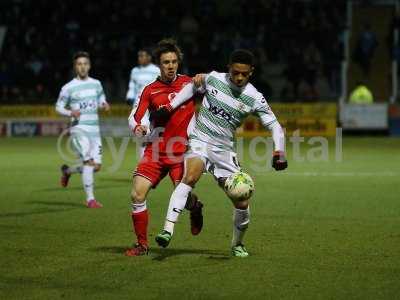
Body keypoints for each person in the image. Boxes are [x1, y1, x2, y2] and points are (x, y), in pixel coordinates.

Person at [154, 49, 288, 257]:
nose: (239, 77)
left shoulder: (254, 97)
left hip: (224, 151)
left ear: (251, 71)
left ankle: (237, 244)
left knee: (242, 201)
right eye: (236, 72)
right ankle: (167, 230)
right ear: (229, 68)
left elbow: (275, 126)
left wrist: (279, 151)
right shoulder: (214, 79)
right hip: (200, 140)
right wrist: (170, 106)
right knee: (189, 177)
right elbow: (192, 86)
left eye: (244, 73)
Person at [125, 39, 203, 256]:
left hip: (183, 152)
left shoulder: (190, 84)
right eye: (166, 62)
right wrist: (138, 127)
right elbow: (135, 115)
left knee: (184, 199)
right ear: (158, 65)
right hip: (156, 151)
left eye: (174, 62)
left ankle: (195, 208)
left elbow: (217, 87)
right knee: (137, 195)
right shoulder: (149, 90)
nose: (171, 66)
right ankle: (142, 244)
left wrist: (204, 78)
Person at [57, 51, 110, 208]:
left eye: (85, 64)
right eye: (79, 64)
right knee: (88, 162)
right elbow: (58, 107)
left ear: (89, 66)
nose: (82, 67)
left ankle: (68, 171)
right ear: (75, 67)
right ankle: (90, 199)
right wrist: (69, 112)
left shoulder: (96, 84)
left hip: (95, 131)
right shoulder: (68, 87)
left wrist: (104, 105)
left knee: (96, 167)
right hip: (79, 130)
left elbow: (101, 99)